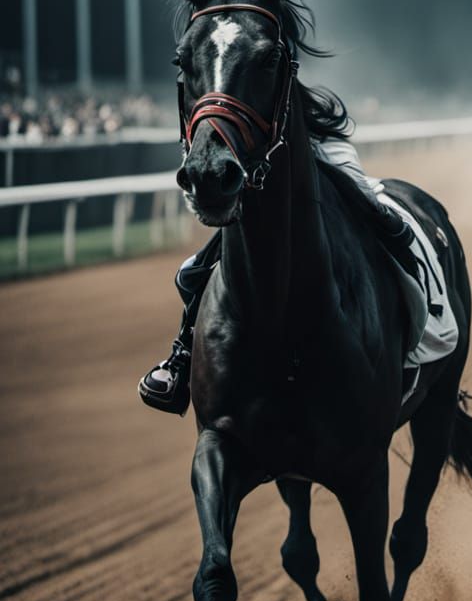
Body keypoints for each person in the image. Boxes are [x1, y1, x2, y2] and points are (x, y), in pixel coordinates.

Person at [138, 134, 415, 415]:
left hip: (317, 139)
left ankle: (408, 343)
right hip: (254, 145)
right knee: (190, 272)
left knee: (382, 223)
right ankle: (183, 353)